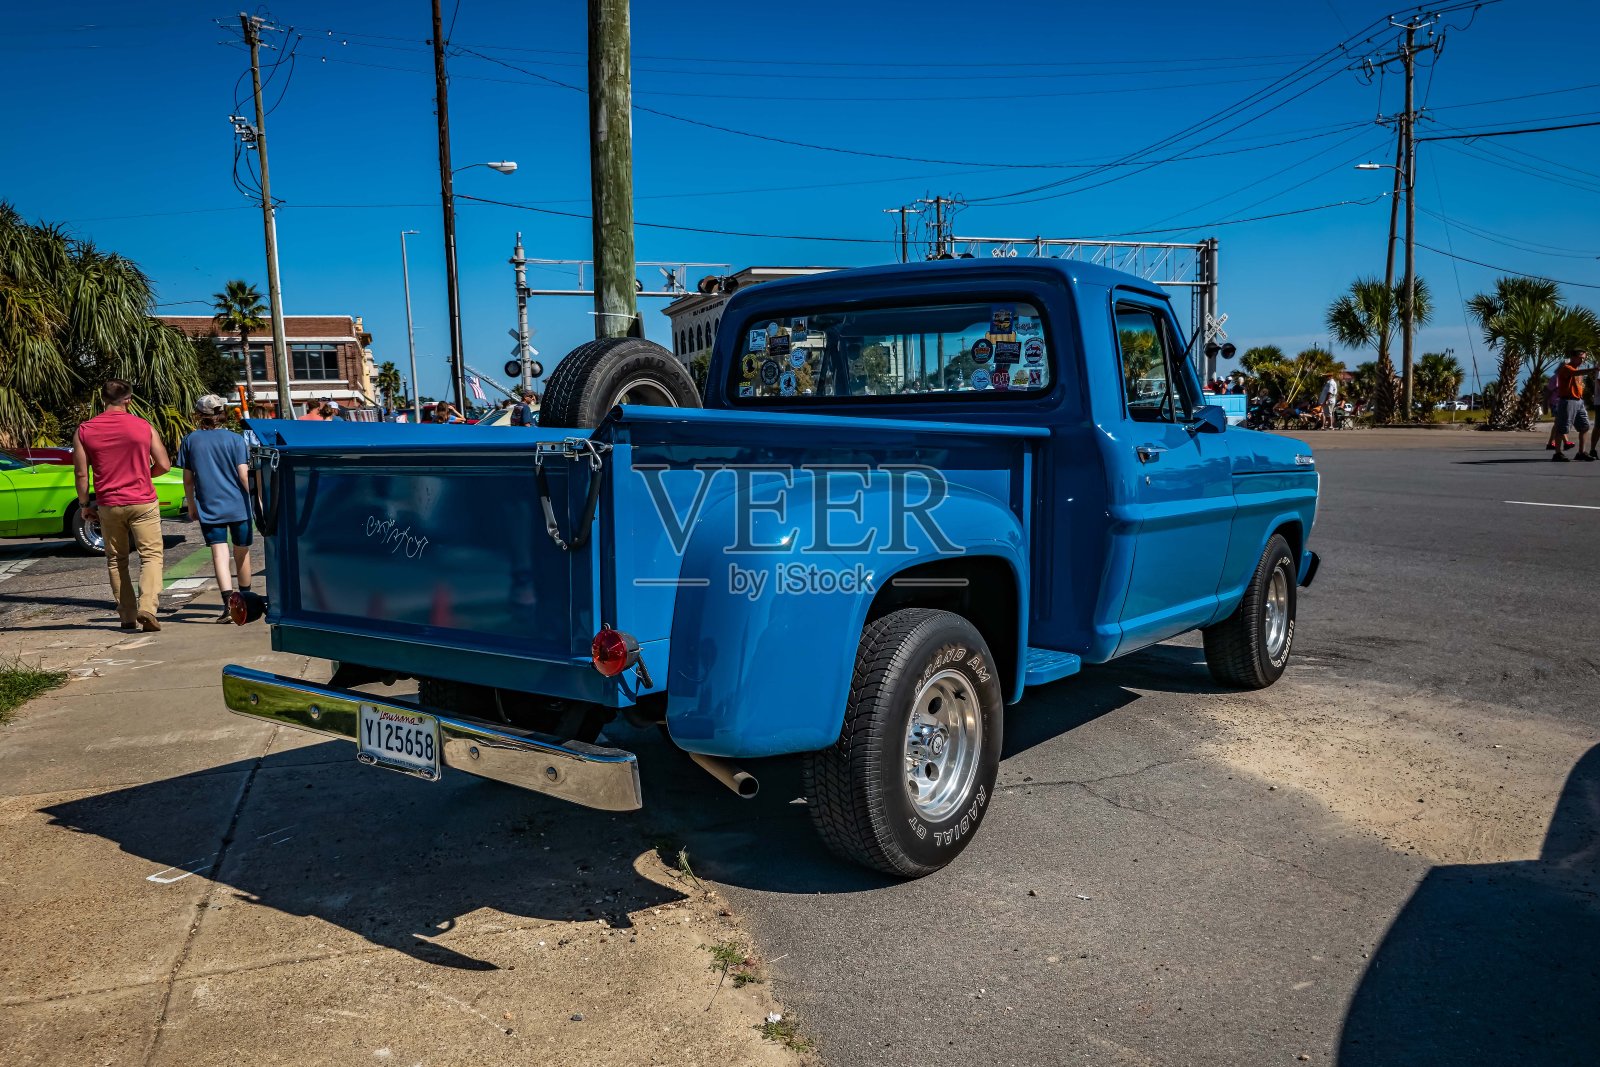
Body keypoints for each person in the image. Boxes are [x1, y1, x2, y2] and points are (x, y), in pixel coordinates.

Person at [73, 379, 172, 632]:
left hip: (109, 504)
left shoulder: (85, 430)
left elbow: (81, 474)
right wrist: (143, 474)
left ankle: (127, 616)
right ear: (128, 399)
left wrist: (85, 504)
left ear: (103, 398)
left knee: (117, 560)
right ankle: (148, 608)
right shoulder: (143, 426)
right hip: (142, 501)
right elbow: (164, 464)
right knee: (150, 556)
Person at [174, 395, 254, 621]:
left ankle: (228, 606)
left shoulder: (190, 440)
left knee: (220, 554)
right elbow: (243, 475)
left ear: (199, 415)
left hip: (209, 505)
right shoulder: (236, 440)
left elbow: (188, 479)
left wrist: (191, 504)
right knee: (242, 551)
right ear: (222, 413)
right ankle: (245, 603)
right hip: (239, 504)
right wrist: (259, 500)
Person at [1551, 349, 1595, 463]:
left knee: (1585, 426)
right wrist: (1593, 369)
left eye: (1584, 358)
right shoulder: (1567, 368)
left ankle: (1581, 452)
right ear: (1573, 357)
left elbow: (1578, 380)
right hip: (1567, 401)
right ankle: (1558, 453)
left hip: (1578, 401)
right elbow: (1574, 373)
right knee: (1563, 427)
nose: (1583, 360)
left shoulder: (1578, 371)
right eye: (1581, 357)